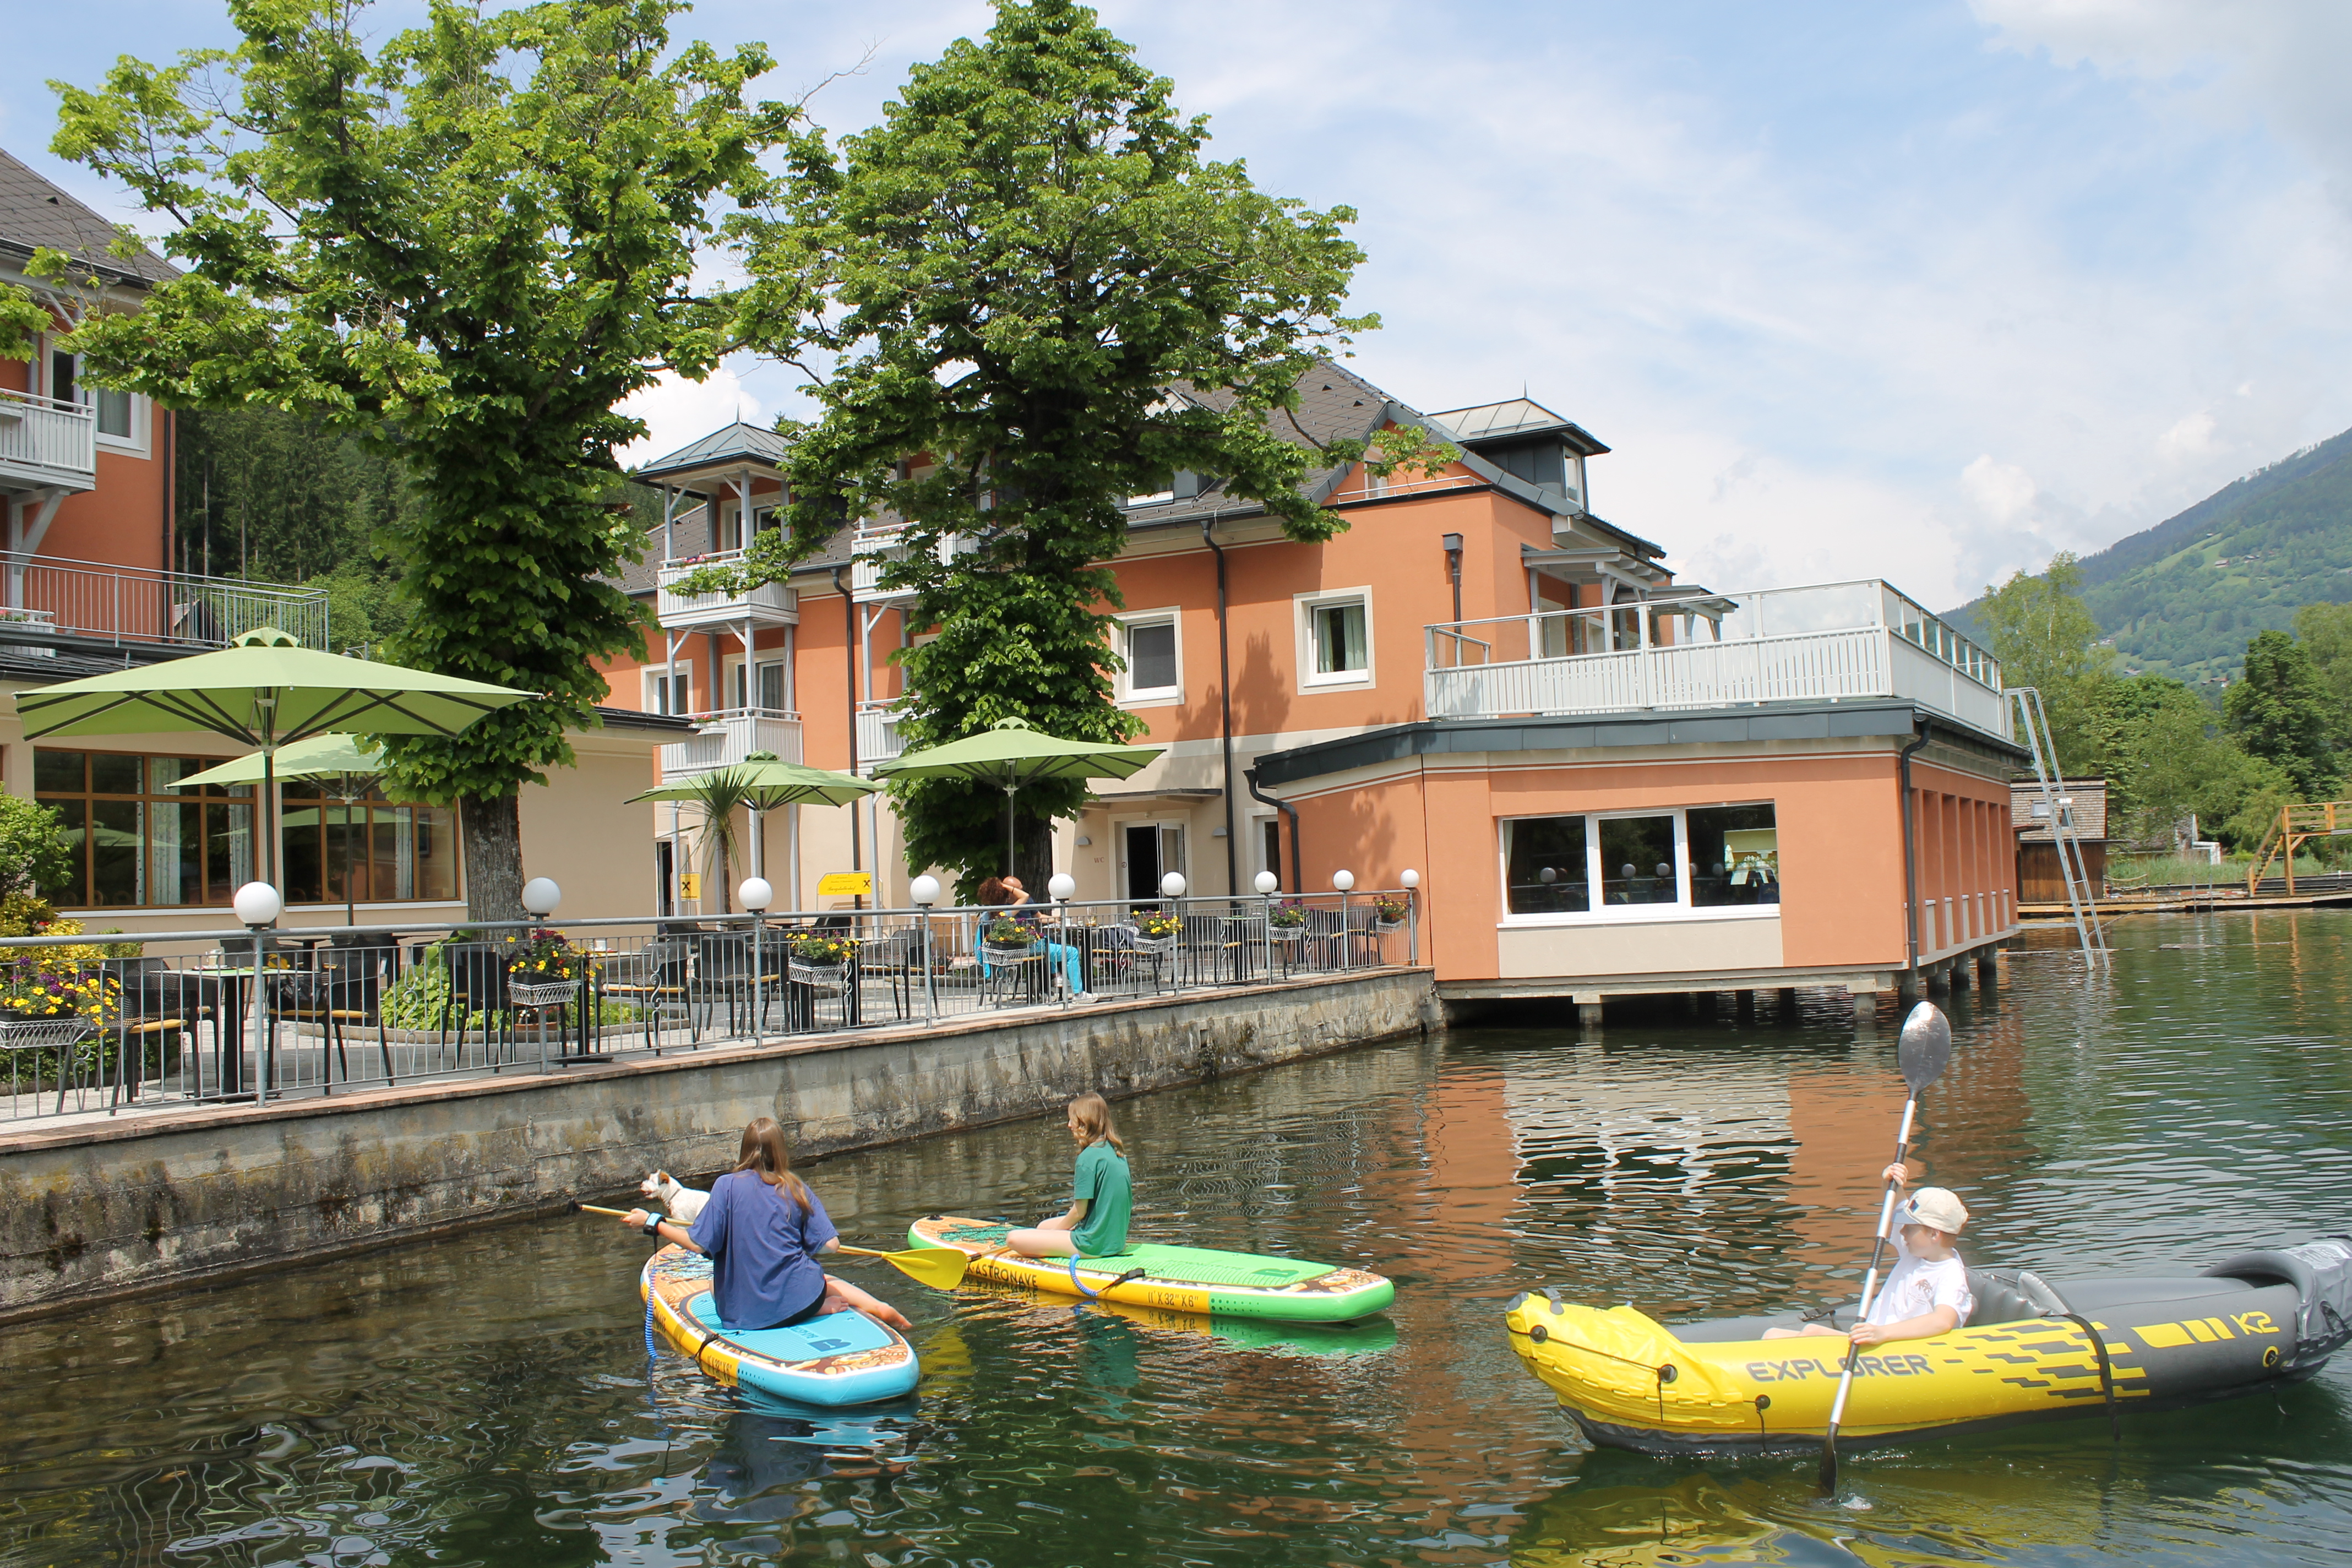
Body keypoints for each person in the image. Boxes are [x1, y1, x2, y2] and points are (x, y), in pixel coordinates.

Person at [624, 1117, 911, 1331]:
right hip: (802, 1297)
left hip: (744, 1313)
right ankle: (872, 1307)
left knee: (715, 1285)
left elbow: (698, 1243)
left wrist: (654, 1222)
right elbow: (832, 1246)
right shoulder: (795, 1187)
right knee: (823, 1280)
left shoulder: (725, 1186)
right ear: (780, 1151)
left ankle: (813, 1307)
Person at [1764, 1166, 1972, 1343]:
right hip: (1874, 1340)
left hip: (1894, 1346)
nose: (1901, 1231)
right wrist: (1890, 1180)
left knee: (1812, 1332)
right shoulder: (1917, 1251)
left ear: (1934, 1234)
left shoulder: (1950, 1273)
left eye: (1909, 1227)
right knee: (1772, 1335)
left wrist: (1883, 1333)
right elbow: (1896, 1202)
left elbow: (1942, 1321)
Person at [1007, 1091, 1133, 1258]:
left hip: (1093, 1245)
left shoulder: (1087, 1158)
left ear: (1084, 1122)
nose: (1069, 1125)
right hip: (1116, 1241)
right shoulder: (1117, 1152)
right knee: (1043, 1226)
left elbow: (1079, 1213)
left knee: (1013, 1239)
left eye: (1072, 1120)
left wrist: (1053, 1235)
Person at [977, 874, 1090, 1000]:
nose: (1023, 891)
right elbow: (1025, 897)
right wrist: (1004, 886)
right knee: (1071, 952)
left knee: (1048, 941)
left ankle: (1056, 976)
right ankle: (1078, 994)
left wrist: (1055, 920)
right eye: (1018, 889)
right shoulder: (1007, 911)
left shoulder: (987, 915)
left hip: (1007, 951)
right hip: (1026, 949)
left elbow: (1039, 916)